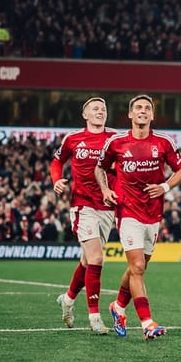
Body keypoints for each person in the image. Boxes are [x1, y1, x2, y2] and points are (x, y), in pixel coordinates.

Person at [95, 94, 181, 340]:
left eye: (147, 108)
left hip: (153, 212)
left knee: (139, 267)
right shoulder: (117, 142)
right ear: (130, 114)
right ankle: (147, 323)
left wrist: (165, 187)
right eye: (138, 108)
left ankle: (118, 306)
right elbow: (99, 167)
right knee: (137, 267)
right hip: (127, 211)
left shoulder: (164, 142)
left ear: (152, 115)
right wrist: (105, 190)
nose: (143, 111)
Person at [51, 97, 118, 335]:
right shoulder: (73, 138)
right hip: (82, 205)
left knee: (87, 260)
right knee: (97, 259)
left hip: (107, 207)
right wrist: (57, 179)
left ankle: (68, 300)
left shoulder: (115, 138)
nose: (100, 111)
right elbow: (56, 161)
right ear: (85, 114)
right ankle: (94, 316)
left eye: (103, 108)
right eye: (95, 109)